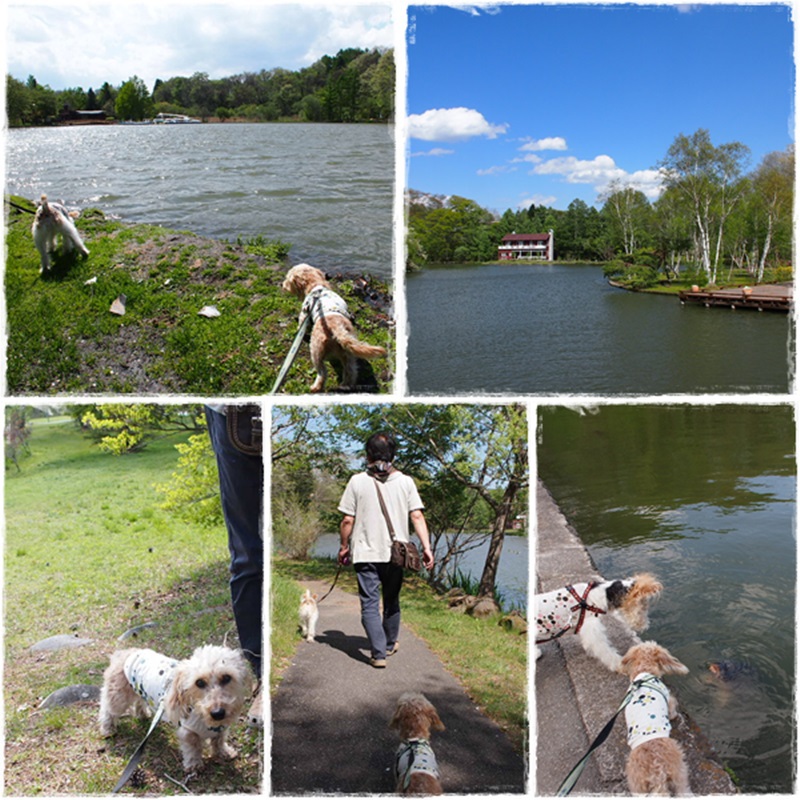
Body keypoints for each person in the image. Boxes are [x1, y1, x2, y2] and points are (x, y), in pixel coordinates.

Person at [337, 432, 434, 668]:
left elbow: (347, 521)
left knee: (370, 604)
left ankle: (378, 654)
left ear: (368, 454)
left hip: (366, 553)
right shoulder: (406, 482)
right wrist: (426, 547)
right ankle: (389, 644)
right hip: (396, 554)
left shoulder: (357, 481)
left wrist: (343, 547)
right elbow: (417, 515)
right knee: (391, 599)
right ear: (393, 454)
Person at [205, 404, 263, 725]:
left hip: (248, 417)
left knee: (250, 554)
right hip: (234, 416)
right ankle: (261, 675)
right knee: (247, 553)